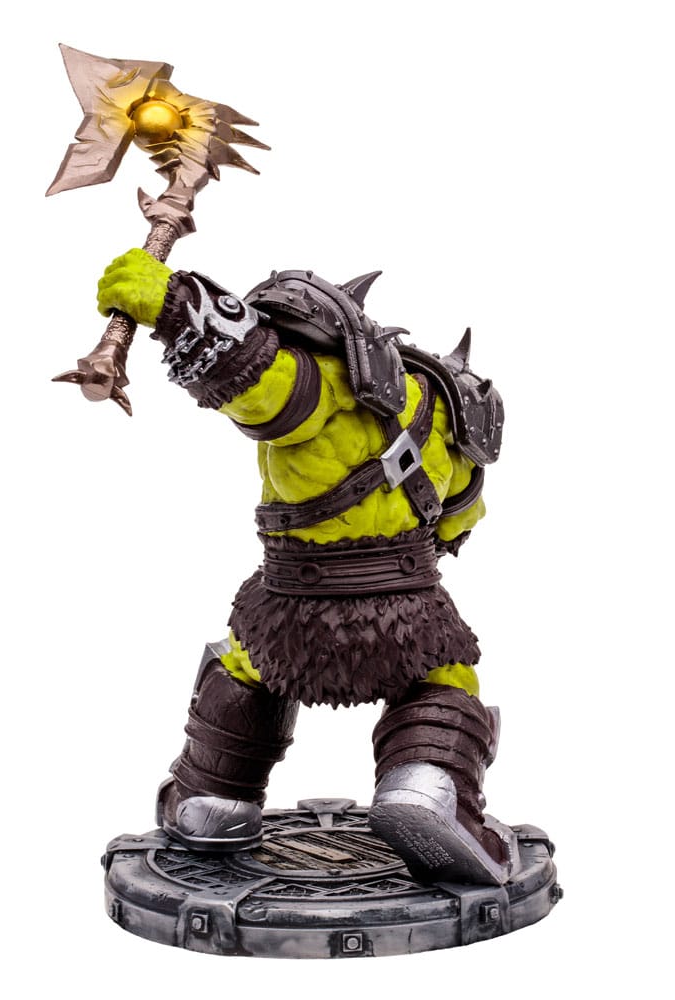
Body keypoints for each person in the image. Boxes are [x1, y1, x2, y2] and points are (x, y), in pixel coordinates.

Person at [86, 247, 514, 886]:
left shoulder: (317, 387)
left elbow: (251, 376)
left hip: (291, 613)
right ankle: (429, 785)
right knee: (444, 678)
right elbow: (458, 519)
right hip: (410, 611)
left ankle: (212, 797)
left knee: (242, 666)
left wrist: (171, 301)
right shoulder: (444, 408)